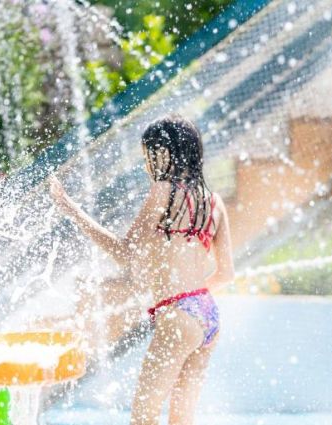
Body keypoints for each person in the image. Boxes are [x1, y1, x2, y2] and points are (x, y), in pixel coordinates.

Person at [48, 115, 235, 425]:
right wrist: (191, 301)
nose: (148, 163)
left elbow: (125, 254)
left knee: (143, 418)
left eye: (149, 153)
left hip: (178, 316)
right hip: (208, 314)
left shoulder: (164, 190)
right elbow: (226, 274)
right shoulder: (213, 202)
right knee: (182, 420)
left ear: (165, 153)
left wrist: (73, 210)